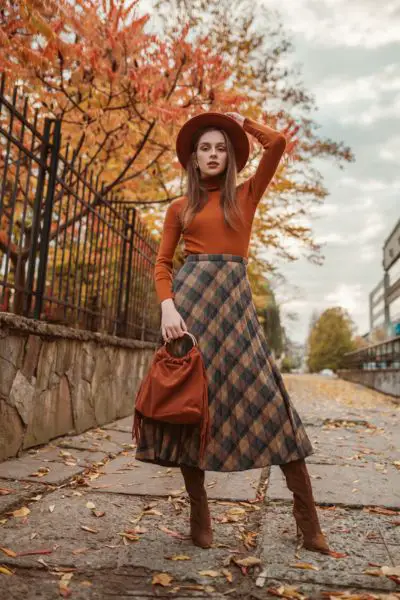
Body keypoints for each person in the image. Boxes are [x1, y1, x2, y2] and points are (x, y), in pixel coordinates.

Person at [134, 111, 331, 555]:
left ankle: (309, 524)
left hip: (236, 311)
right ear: (192, 157)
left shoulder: (245, 195)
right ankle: (199, 516)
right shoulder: (178, 208)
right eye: (205, 148)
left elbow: (278, 143)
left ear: (230, 158)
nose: (212, 154)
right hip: (191, 310)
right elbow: (163, 264)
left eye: (221, 148)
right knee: (190, 405)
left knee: (271, 402)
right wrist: (167, 306)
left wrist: (242, 122)